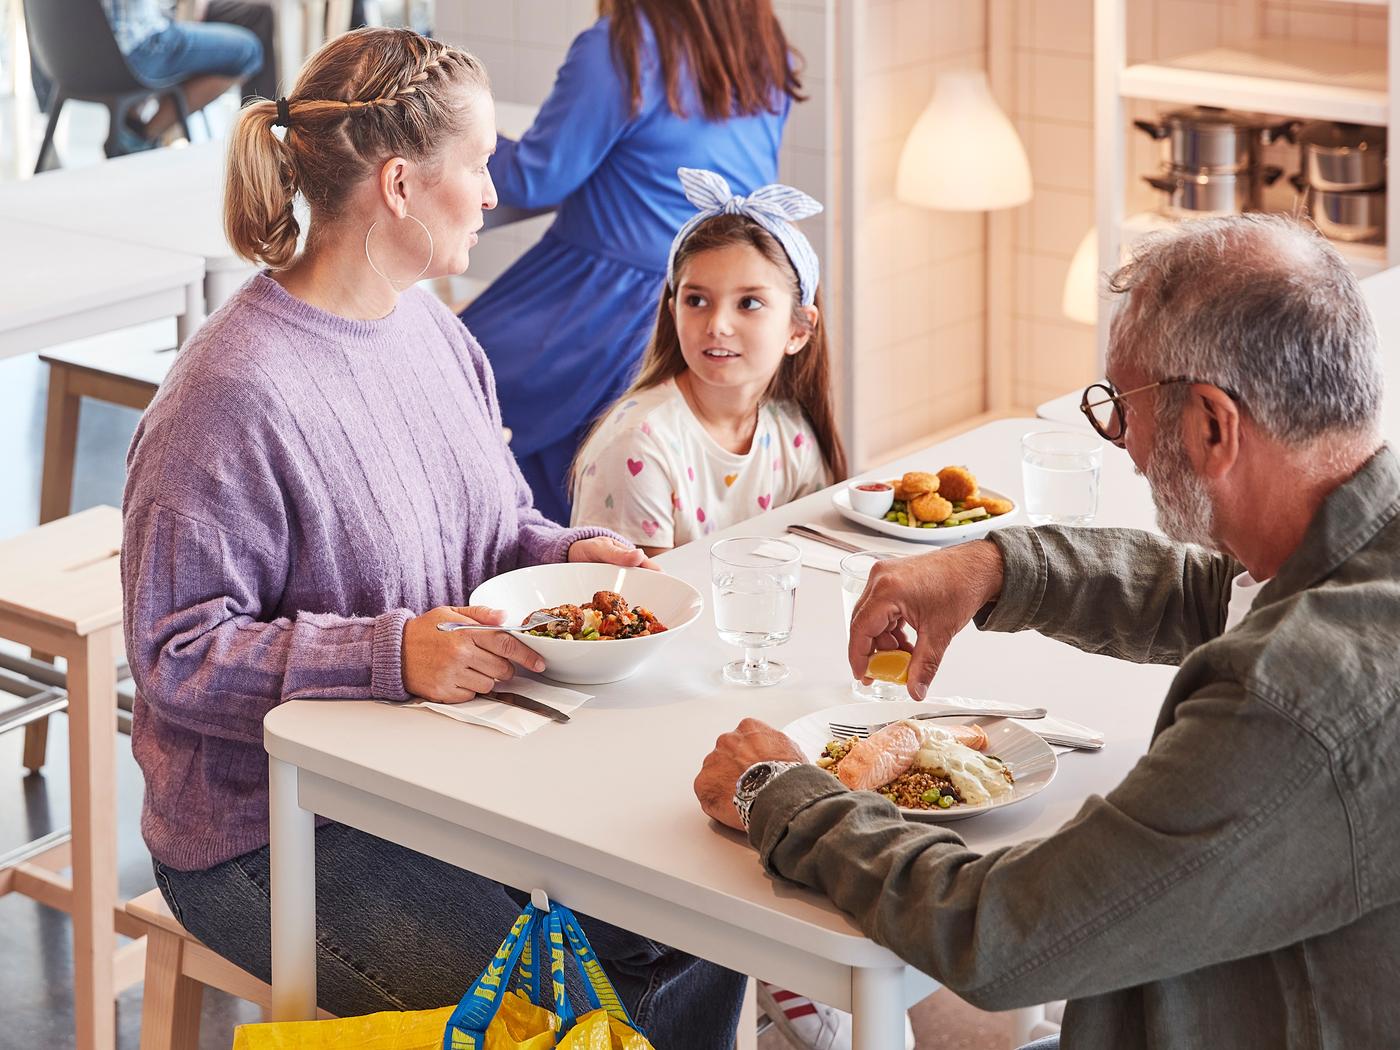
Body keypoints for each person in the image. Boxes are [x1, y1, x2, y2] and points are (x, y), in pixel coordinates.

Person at [122, 28, 745, 1045]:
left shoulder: (435, 331)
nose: (497, 192)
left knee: (710, 922)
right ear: (402, 185)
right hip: (268, 837)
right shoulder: (227, 396)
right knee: (571, 1017)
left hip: (439, 778)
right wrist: (389, 653)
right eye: (480, 165)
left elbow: (497, 527)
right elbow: (175, 654)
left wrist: (568, 555)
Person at [694, 213, 1400, 1049]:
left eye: (1121, 410)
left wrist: (780, 794)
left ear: (1214, 424)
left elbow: (1003, 934)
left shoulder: (1288, 697)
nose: (1124, 446)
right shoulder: (1357, 558)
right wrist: (994, 566)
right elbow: (1217, 594)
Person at [460, 0, 803, 523]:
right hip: (706, 290)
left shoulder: (619, 48)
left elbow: (537, 176)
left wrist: (453, 140)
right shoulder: (757, 41)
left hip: (603, 299)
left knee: (447, 372)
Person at [571, 168, 847, 554]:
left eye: (749, 303)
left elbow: (816, 560)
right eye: (696, 300)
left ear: (799, 330)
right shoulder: (637, 445)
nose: (717, 325)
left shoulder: (792, 433)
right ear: (673, 311)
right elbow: (645, 606)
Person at [92, 0, 272, 152]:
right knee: (249, 51)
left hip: (88, 52)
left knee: (255, 13)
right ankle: (143, 134)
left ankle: (135, 126)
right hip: (143, 47)